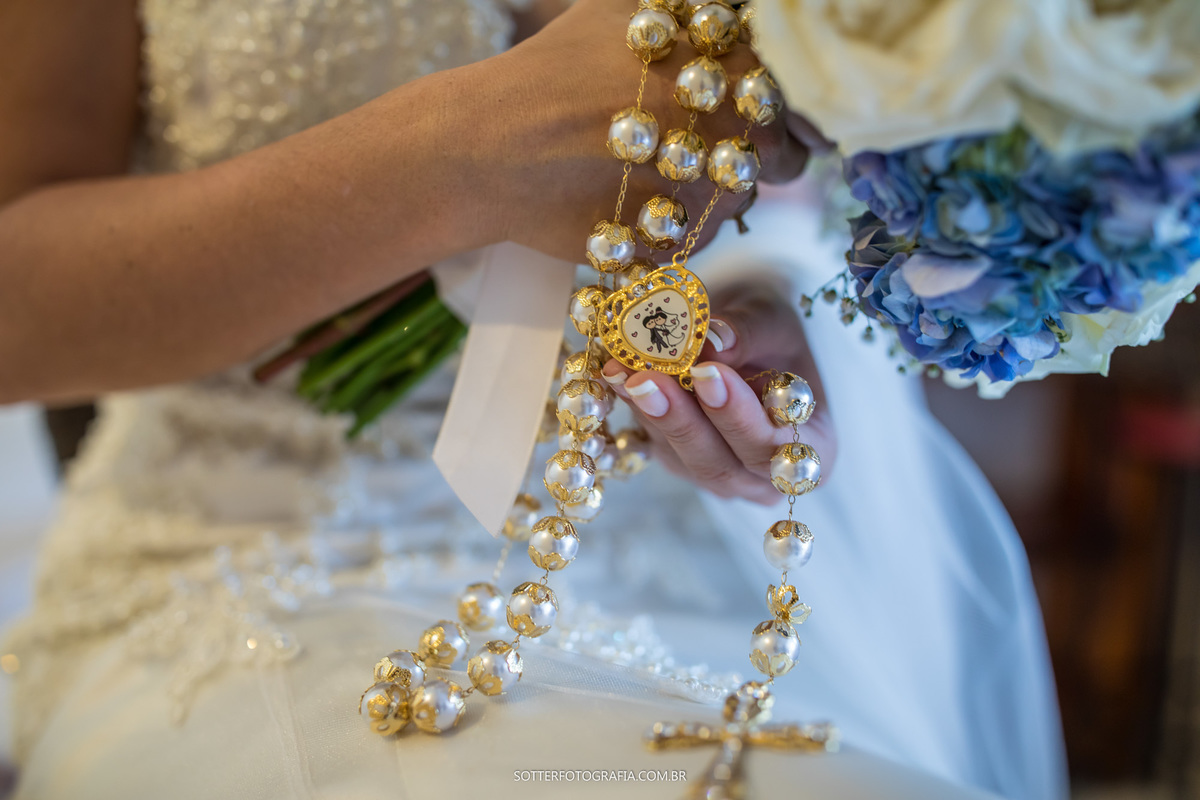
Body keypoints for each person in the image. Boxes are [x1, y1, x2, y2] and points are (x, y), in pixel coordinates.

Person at [0, 0, 1067, 797]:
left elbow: (774, 174)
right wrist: (468, 150)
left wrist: (746, 302)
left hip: (693, 557)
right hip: (255, 552)